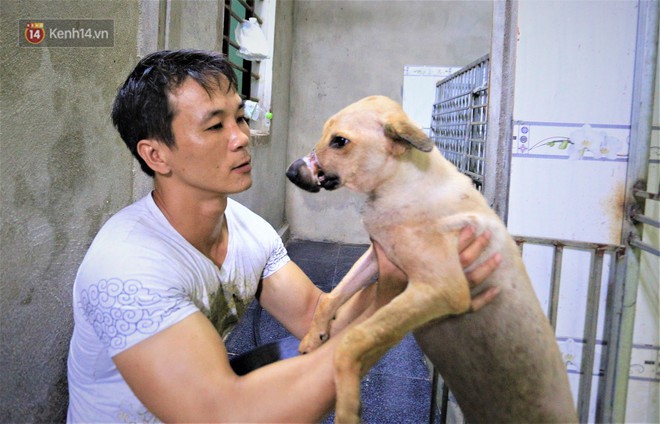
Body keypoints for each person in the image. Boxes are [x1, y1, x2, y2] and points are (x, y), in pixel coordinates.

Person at [66, 49, 501, 423]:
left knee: (303, 353)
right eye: (215, 126)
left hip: (210, 403)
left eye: (240, 117)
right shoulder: (126, 268)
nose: (240, 139)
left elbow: (319, 321)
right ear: (156, 155)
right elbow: (224, 416)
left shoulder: (245, 228)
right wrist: (399, 308)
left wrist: (402, 274)